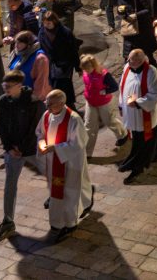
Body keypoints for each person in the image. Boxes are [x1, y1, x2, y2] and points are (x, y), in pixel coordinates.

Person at [36, 88, 93, 242]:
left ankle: (70, 223)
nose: (47, 108)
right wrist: (42, 143)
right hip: (53, 162)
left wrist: (56, 148)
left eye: (51, 105)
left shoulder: (74, 119)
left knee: (70, 193)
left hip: (70, 163)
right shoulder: (47, 115)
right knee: (56, 193)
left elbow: (79, 143)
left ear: (62, 103)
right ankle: (56, 223)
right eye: (47, 104)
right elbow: (40, 133)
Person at [0, 70, 41, 243]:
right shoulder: (3, 101)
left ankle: (69, 201)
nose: (5, 89)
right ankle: (8, 221)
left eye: (8, 86)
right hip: (12, 151)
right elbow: (2, 127)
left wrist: (22, 148)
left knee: (52, 173)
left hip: (31, 150)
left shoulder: (33, 102)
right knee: (10, 184)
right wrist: (9, 147)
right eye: (4, 86)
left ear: (19, 86)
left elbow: (35, 130)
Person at [118, 49, 157, 184]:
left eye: (131, 60)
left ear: (140, 61)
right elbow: (122, 86)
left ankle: (138, 166)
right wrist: (121, 104)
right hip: (131, 110)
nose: (128, 62)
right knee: (151, 131)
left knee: (143, 138)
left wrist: (138, 103)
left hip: (144, 112)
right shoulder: (127, 68)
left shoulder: (151, 72)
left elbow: (156, 94)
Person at [80, 55, 127, 158]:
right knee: (89, 126)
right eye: (84, 69)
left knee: (109, 121)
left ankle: (122, 135)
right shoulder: (85, 72)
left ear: (93, 66)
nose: (86, 71)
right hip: (90, 102)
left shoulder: (104, 74)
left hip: (103, 103)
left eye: (87, 69)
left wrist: (105, 91)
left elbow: (114, 87)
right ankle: (87, 153)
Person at [37, 12, 82, 112]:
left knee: (64, 85)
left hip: (64, 65)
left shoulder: (65, 32)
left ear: (54, 22)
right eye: (45, 23)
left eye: (48, 23)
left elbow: (73, 51)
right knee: (54, 85)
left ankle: (68, 107)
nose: (46, 25)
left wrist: (78, 67)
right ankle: (61, 107)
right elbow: (41, 48)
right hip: (51, 65)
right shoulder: (42, 33)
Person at [114, 0, 157, 64]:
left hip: (142, 25)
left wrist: (136, 15)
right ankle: (127, 65)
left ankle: (152, 62)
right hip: (130, 26)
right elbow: (120, 8)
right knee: (128, 47)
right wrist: (121, 12)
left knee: (146, 47)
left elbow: (148, 10)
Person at [6, 30, 50, 106]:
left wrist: (32, 98)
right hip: (17, 96)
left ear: (28, 44)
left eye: (20, 43)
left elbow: (41, 81)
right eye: (16, 42)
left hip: (31, 100)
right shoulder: (17, 53)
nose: (16, 45)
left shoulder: (40, 58)